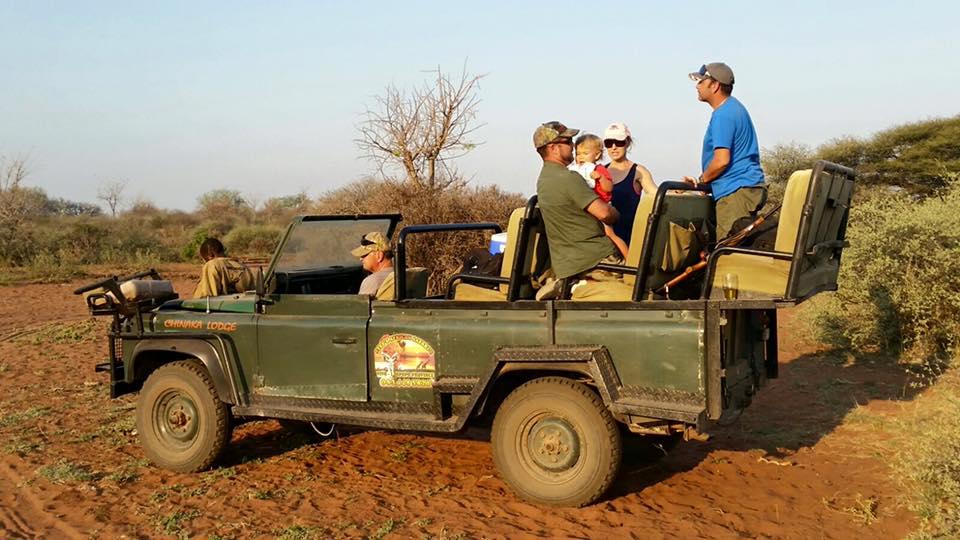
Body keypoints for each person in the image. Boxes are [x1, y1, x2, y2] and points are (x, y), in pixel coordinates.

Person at [533, 121, 622, 299]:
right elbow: (605, 214)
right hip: (596, 259)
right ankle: (581, 287)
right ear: (553, 148)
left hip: (566, 263)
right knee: (640, 287)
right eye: (568, 142)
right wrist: (615, 212)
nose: (573, 146)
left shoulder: (543, 180)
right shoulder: (569, 178)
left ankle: (571, 284)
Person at [683, 62, 767, 240]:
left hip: (735, 191)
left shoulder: (723, 114)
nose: (697, 86)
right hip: (741, 188)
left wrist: (702, 180)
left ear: (714, 85)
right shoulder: (733, 108)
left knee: (726, 250)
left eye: (701, 81)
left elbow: (722, 161)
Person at [568, 134, 628, 258]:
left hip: (601, 205)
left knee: (610, 234)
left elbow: (609, 188)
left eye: (585, 153)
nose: (580, 157)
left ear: (597, 155)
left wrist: (600, 178)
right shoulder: (575, 169)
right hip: (586, 208)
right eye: (578, 154)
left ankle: (629, 259)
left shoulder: (598, 169)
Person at [602, 122, 657, 245]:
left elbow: (657, 195)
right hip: (604, 242)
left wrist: (681, 190)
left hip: (630, 238)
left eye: (619, 142)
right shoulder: (599, 172)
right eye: (609, 143)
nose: (614, 147)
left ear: (627, 142)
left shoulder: (639, 171)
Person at [350, 231, 395, 297]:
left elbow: (360, 304)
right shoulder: (405, 275)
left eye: (364, 255)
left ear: (379, 256)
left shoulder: (372, 281)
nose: (361, 259)